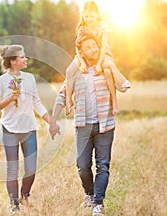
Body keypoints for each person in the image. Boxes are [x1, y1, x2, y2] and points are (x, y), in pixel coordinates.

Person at [49, 32, 129, 216]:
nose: (93, 49)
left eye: (95, 46)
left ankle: (98, 204)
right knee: (83, 165)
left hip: (105, 125)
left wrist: (113, 66)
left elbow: (124, 86)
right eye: (89, 47)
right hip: (83, 126)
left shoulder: (105, 68)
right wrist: (53, 120)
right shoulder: (77, 71)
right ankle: (90, 194)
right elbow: (62, 95)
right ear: (82, 52)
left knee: (103, 165)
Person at [0, 44, 49, 215]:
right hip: (9, 129)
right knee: (12, 169)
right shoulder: (0, 81)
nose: (26, 59)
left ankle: (24, 195)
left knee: (31, 168)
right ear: (13, 61)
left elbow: (36, 102)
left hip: (29, 128)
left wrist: (50, 121)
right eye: (22, 57)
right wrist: (10, 98)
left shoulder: (30, 78)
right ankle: (14, 205)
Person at [65, 1, 130, 116]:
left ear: (97, 15)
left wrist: (99, 63)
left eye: (91, 16)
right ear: (83, 15)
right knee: (69, 71)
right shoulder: (82, 27)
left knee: (107, 71)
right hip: (84, 54)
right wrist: (82, 63)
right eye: (86, 16)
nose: (89, 19)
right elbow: (77, 47)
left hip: (101, 53)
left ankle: (115, 100)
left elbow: (104, 46)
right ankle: (69, 99)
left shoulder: (102, 26)